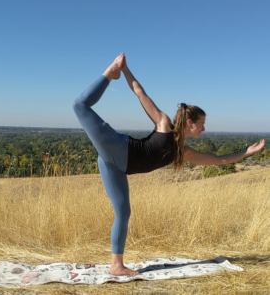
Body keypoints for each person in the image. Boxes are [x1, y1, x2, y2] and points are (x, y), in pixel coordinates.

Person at [73, 53, 265, 276]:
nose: (204, 129)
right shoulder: (164, 123)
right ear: (189, 123)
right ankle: (110, 71)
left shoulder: (183, 152)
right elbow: (140, 93)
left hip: (114, 166)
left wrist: (246, 153)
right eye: (201, 124)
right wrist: (123, 70)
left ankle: (117, 266)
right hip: (117, 148)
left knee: (123, 212)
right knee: (79, 105)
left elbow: (218, 159)